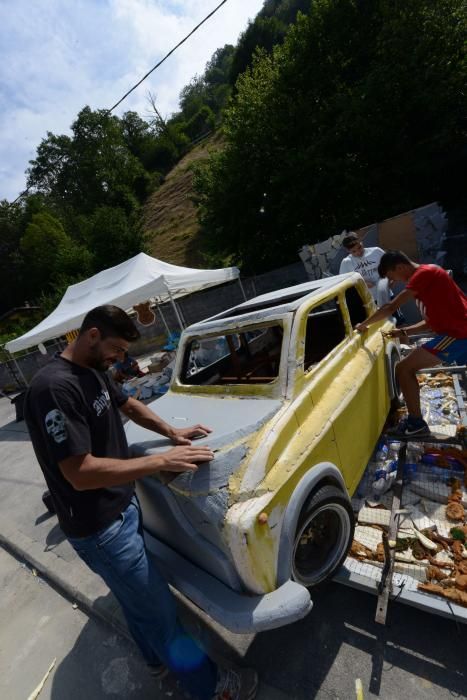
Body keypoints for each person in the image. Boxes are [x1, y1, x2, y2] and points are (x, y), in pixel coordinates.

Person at [24, 305, 258, 700]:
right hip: (100, 529)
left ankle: (155, 663)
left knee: (138, 605)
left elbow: (125, 404)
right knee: (164, 617)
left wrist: (171, 431)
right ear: (93, 335)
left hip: (121, 510)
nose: (121, 358)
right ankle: (216, 690)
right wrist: (161, 461)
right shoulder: (53, 389)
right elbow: (79, 472)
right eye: (116, 348)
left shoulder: (92, 367)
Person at [355, 251, 467, 437]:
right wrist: (404, 332)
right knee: (405, 367)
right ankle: (415, 422)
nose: (397, 282)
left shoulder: (424, 274)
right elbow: (431, 324)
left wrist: (363, 325)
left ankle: (416, 424)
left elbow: (391, 307)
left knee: (404, 368)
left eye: (393, 277)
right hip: (456, 333)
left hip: (459, 334)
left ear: (399, 267)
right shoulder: (427, 281)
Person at [339, 232, 387, 303]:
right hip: (367, 302)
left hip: (386, 295)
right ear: (348, 251)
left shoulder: (377, 251)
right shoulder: (346, 262)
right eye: (354, 251)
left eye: (359, 247)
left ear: (361, 241)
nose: (358, 252)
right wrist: (361, 283)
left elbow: (391, 267)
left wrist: (390, 281)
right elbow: (343, 284)